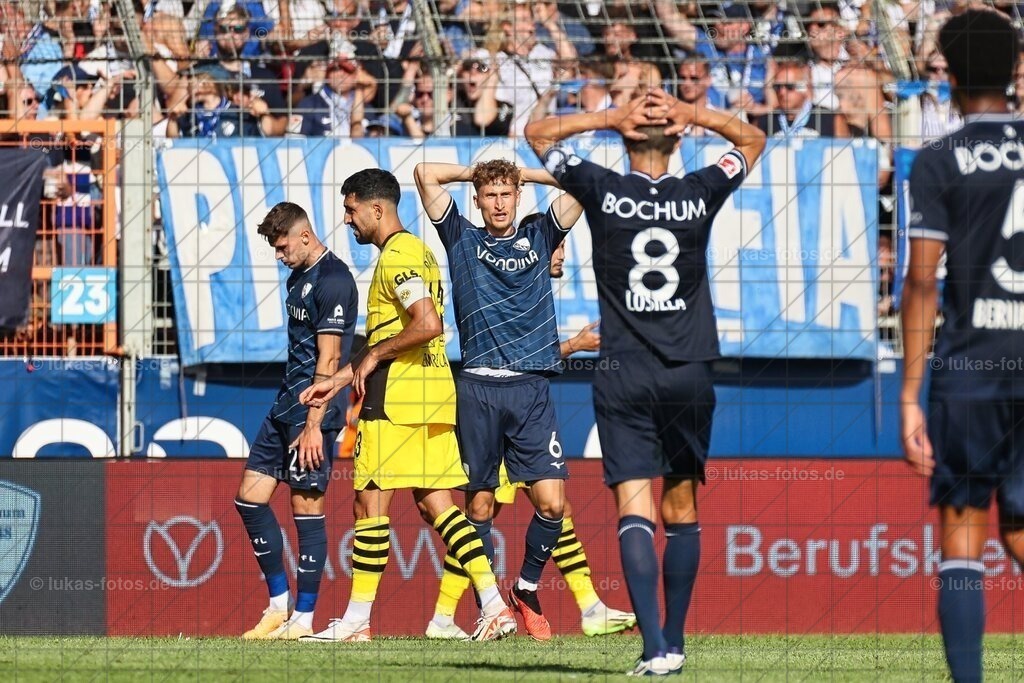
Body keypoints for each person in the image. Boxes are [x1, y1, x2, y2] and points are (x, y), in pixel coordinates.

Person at [525, 92, 765, 674]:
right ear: (678, 140)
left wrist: (609, 117)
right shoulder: (699, 191)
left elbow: (538, 133)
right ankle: (676, 642)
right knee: (681, 506)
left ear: (626, 141)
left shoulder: (604, 189)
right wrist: (693, 111)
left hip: (622, 368)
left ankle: (654, 646)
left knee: (634, 509)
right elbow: (753, 139)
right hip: (687, 370)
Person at [297, 169, 516, 643]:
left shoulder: (397, 256)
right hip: (432, 397)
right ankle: (495, 605)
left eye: (351, 210)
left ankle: (355, 622)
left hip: (397, 401)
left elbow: (427, 323)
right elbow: (391, 335)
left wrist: (374, 355)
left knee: (368, 504)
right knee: (437, 506)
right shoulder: (417, 251)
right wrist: (336, 382)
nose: (348, 221)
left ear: (377, 209)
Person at [420, 225, 636, 640]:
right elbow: (516, 354)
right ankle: (447, 615)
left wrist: (572, 344)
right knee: (480, 511)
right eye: (558, 248)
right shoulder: (509, 273)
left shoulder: (534, 289)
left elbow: (527, 354)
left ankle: (581, 604)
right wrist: (573, 345)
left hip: (522, 402)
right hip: (489, 399)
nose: (562, 256)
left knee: (553, 506)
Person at [412, 159, 585, 641]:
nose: (498, 203)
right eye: (490, 195)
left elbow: (586, 188)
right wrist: (478, 172)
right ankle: (490, 611)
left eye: (506, 194)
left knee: (552, 504)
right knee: (481, 507)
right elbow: (425, 173)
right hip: (479, 388)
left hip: (530, 388)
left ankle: (526, 588)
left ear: (519, 195)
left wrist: (529, 173)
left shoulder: (541, 235)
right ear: (477, 200)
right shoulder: (461, 238)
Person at [901, 10, 1024, 683]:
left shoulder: (939, 159)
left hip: (972, 369)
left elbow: (922, 280)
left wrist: (907, 395)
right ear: (1014, 70)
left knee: (963, 533)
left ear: (947, 75)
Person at [235, 202, 358, 640]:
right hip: (284, 404)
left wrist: (313, 424)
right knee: (249, 500)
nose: (278, 254)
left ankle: (304, 619)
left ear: (305, 236)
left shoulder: (334, 280)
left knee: (307, 511)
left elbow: (329, 357)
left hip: (312, 416)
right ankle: (277, 605)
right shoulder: (297, 277)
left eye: (283, 246)